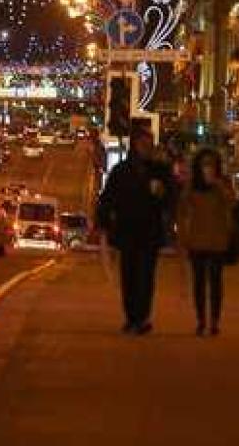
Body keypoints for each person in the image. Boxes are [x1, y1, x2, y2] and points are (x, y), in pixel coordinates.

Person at [95, 125, 170, 335]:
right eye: (143, 144)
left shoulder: (159, 170)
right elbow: (108, 198)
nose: (147, 148)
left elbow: (171, 197)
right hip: (127, 232)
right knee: (129, 276)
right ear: (136, 145)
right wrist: (104, 222)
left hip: (149, 233)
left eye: (149, 143)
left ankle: (142, 317)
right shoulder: (122, 171)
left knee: (146, 277)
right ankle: (131, 317)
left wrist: (162, 192)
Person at [177, 148, 236, 336]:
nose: (208, 168)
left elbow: (232, 202)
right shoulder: (192, 185)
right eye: (204, 164)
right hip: (197, 239)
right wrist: (183, 235)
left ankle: (215, 321)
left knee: (216, 283)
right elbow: (182, 209)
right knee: (200, 282)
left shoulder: (222, 184)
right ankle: (201, 319)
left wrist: (219, 185)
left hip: (218, 239)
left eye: (211, 164)